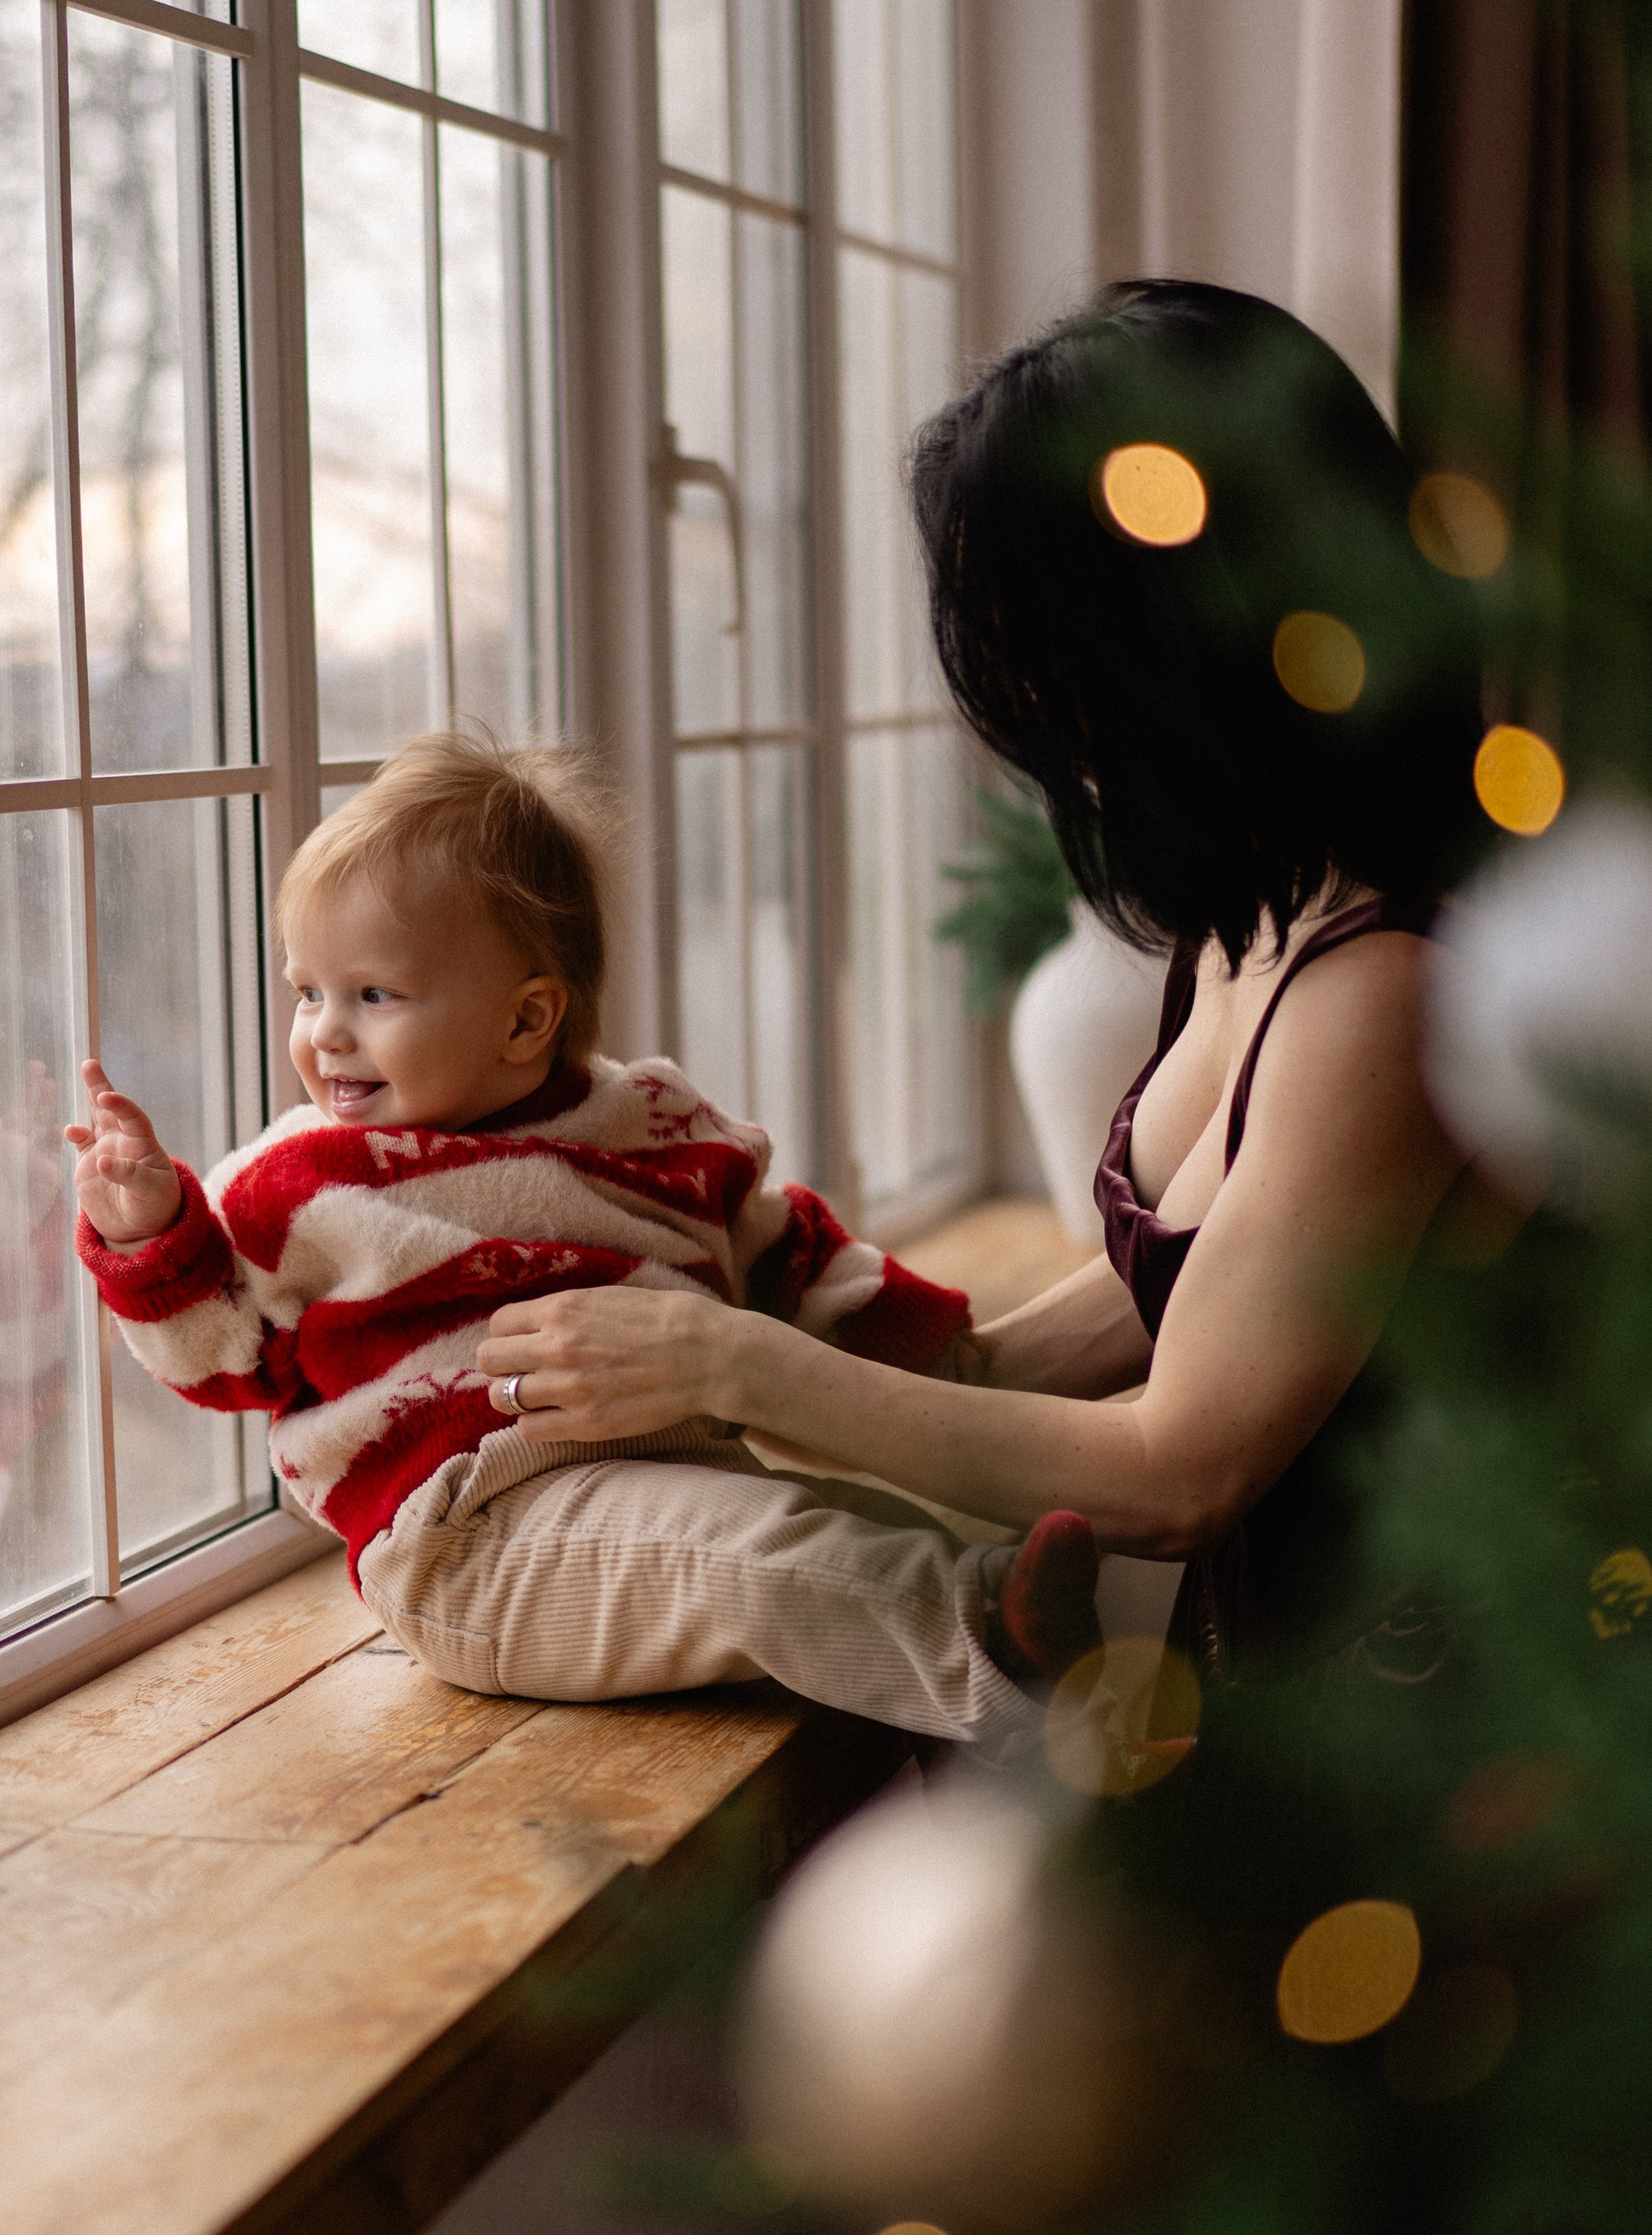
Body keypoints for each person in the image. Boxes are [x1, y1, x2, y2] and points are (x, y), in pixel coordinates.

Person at [474, 281, 1493, 1684]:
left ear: (1165, 660)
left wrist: (739, 1372)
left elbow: (1184, 1463)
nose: (1034, 731)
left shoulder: (1389, 987)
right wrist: (746, 1327)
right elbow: (1167, 1304)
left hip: (1435, 1736)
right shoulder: (1259, 920)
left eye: (1047, 668)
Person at [67, 733, 1105, 1747]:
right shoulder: (299, 1179)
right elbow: (224, 1358)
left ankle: (1033, 1641)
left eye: (373, 995)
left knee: (840, 1528)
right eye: (308, 991)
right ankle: (1005, 1658)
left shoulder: (646, 1123)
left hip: (678, 1470)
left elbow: (790, 1254)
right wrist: (152, 1232)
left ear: (527, 1023)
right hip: (476, 1535)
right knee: (760, 1558)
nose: (325, 1031)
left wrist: (952, 1358)